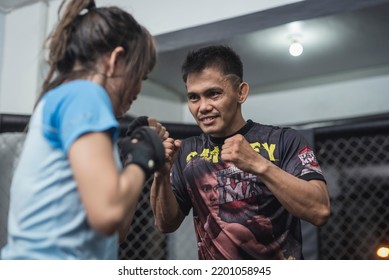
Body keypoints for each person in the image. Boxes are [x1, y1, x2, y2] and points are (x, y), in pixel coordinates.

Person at [1, 0, 167, 260]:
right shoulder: (85, 94)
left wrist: (130, 160)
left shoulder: (69, 97)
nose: (137, 90)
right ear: (116, 59)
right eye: (139, 75)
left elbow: (118, 230)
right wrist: (144, 155)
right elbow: (108, 213)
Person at [150, 45, 331, 260]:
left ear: (241, 92)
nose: (203, 107)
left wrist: (259, 165)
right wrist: (161, 174)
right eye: (194, 98)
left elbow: (319, 211)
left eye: (213, 94)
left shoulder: (283, 140)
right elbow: (165, 224)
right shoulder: (187, 151)